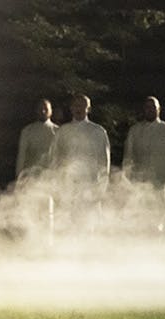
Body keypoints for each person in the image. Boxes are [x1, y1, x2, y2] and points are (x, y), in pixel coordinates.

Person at [49, 94, 111, 232]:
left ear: (88, 109)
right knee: (68, 226)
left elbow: (104, 162)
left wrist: (102, 188)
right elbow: (55, 160)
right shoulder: (62, 131)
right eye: (76, 105)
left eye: (82, 106)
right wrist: (56, 186)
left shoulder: (98, 131)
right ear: (71, 108)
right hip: (68, 185)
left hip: (90, 185)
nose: (78, 109)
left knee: (89, 225)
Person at [122, 96, 165, 231]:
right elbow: (128, 157)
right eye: (147, 107)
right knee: (140, 220)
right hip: (139, 183)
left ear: (159, 109)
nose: (150, 110)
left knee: (159, 220)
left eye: (153, 107)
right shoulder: (135, 130)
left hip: (161, 183)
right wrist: (126, 180)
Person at [15, 99, 58, 178]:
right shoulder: (27, 130)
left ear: (51, 111)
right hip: (31, 176)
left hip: (51, 176)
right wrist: (18, 176)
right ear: (36, 111)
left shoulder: (58, 131)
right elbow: (21, 156)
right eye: (40, 109)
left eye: (46, 109)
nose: (43, 111)